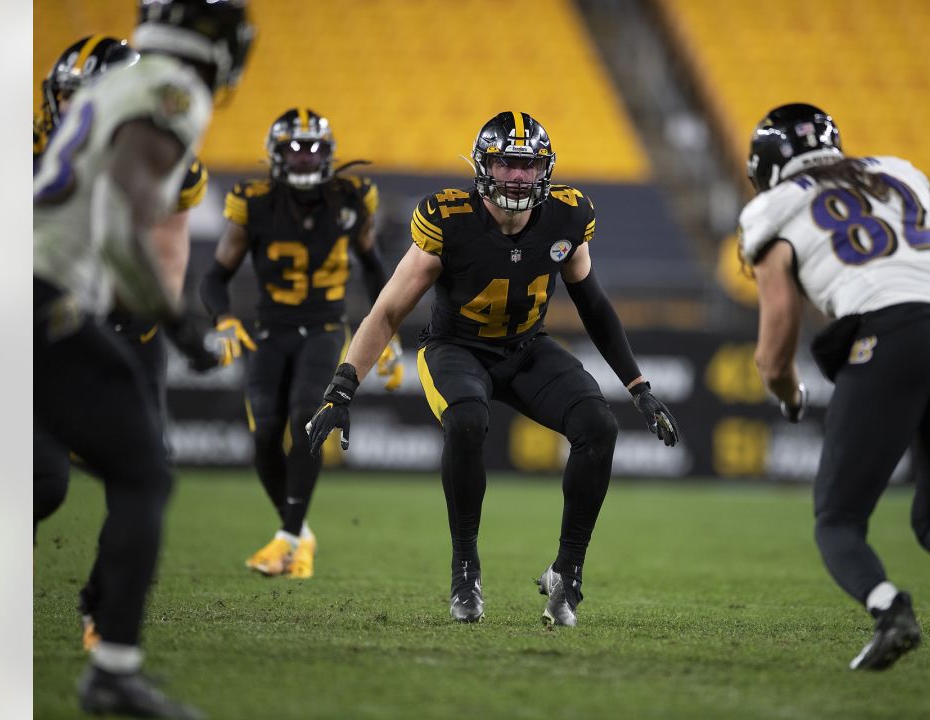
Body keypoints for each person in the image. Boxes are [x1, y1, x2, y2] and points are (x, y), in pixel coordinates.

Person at [305, 111, 680, 626]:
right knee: (465, 419)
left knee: (598, 426)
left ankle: (566, 572)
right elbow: (388, 310)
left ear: (544, 170)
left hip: (526, 348)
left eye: (529, 166)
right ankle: (465, 568)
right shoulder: (449, 218)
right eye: (507, 163)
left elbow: (593, 304)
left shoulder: (567, 215)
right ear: (484, 165)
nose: (519, 177)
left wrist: (637, 386)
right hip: (455, 348)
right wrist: (341, 389)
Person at [738, 104, 930, 671]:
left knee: (838, 521)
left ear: (767, 168)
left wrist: (786, 392)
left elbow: (777, 332)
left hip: (888, 331)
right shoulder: (897, 171)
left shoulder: (771, 207)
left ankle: (890, 609)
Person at [33, 1, 254, 716]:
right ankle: (113, 670)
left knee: (40, 477)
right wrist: (179, 322)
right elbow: (120, 220)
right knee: (141, 470)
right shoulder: (171, 90)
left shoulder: (106, 87)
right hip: (37, 295)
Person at [200, 107, 402, 580]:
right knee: (265, 433)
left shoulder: (352, 198)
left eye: (314, 149)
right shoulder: (254, 202)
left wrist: (385, 333)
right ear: (276, 154)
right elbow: (215, 276)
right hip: (269, 330)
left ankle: (288, 540)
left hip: (325, 328)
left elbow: (375, 270)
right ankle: (298, 533)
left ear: (329, 154)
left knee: (303, 420)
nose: (306, 159)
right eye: (295, 148)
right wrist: (224, 317)